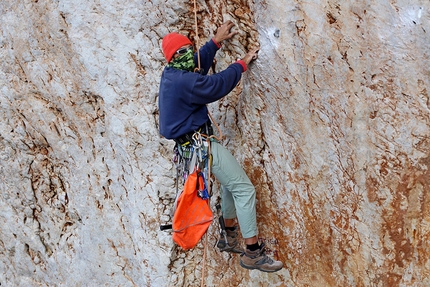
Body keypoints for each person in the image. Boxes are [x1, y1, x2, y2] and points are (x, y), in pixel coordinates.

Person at [158, 21, 283, 273]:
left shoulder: (171, 73)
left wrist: (215, 42)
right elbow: (214, 86)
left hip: (193, 148)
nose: (188, 56)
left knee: (229, 185)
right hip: (201, 146)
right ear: (173, 58)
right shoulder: (184, 81)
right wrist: (241, 64)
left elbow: (196, 64)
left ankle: (228, 236)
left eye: (188, 50)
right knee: (244, 189)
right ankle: (252, 252)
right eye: (181, 53)